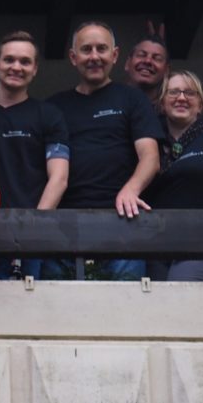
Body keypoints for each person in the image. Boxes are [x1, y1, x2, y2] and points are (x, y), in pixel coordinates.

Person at [43, 21, 162, 281]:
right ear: (73, 57)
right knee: (58, 303)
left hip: (123, 221)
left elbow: (151, 157)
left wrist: (131, 189)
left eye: (102, 49)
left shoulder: (132, 98)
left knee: (126, 302)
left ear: (115, 55)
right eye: (86, 49)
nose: (94, 56)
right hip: (62, 225)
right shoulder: (54, 107)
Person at [0, 31, 69, 280]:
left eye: (25, 61)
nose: (16, 67)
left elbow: (59, 178)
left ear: (35, 68)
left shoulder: (49, 115)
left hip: (31, 240)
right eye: (9, 60)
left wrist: (34, 227)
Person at [143, 70, 203, 281]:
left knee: (184, 293)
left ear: (201, 105)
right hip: (154, 241)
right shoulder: (150, 137)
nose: (181, 98)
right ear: (162, 103)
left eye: (190, 93)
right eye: (173, 92)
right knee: (154, 299)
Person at [123, 35, 169, 105]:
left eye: (157, 58)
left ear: (166, 71)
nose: (148, 61)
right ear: (127, 63)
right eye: (141, 55)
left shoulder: (169, 110)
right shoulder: (109, 99)